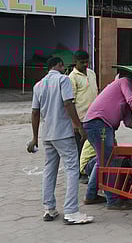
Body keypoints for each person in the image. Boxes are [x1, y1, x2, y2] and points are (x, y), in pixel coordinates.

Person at [28, 57, 93, 225]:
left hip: (47, 134)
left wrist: (35, 137)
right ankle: (71, 211)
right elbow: (68, 103)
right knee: (72, 169)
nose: (64, 68)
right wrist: (79, 126)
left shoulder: (39, 85)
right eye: (62, 65)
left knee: (50, 169)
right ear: (58, 66)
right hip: (63, 133)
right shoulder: (63, 79)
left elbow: (35, 113)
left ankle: (49, 209)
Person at [83, 73, 132, 210]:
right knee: (109, 162)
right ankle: (113, 200)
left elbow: (129, 122)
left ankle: (91, 196)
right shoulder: (124, 81)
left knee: (102, 161)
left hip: (99, 124)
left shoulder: (121, 97)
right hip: (99, 124)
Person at [68, 50, 98, 175]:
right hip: (80, 119)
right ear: (75, 62)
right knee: (79, 147)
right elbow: (71, 102)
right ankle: (79, 173)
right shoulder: (72, 77)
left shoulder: (91, 73)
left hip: (93, 116)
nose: (85, 64)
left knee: (92, 147)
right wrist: (76, 124)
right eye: (82, 62)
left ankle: (89, 170)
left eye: (87, 61)